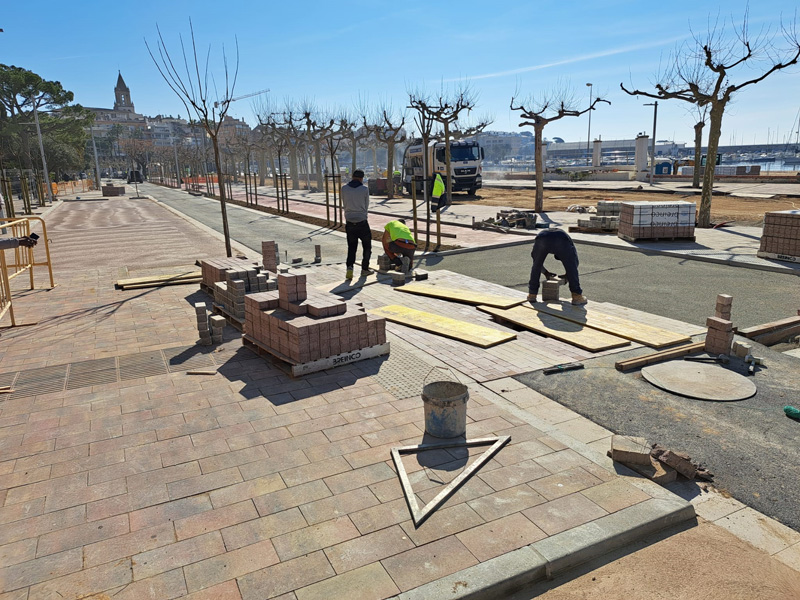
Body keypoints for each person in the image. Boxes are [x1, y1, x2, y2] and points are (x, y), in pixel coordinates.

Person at [527, 229, 587, 305]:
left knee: (536, 265)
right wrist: (568, 275)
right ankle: (576, 296)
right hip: (560, 238)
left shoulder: (543, 238)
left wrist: (546, 273)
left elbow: (537, 264)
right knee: (571, 265)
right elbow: (574, 264)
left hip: (542, 237)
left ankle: (532, 295)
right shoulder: (568, 242)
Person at [341, 169, 373, 280]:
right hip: (362, 222)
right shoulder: (364, 189)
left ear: (352, 177)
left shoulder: (344, 188)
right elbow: (366, 204)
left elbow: (344, 202)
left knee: (351, 247)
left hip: (349, 222)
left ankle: (349, 268)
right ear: (361, 178)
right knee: (367, 247)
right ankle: (364, 269)